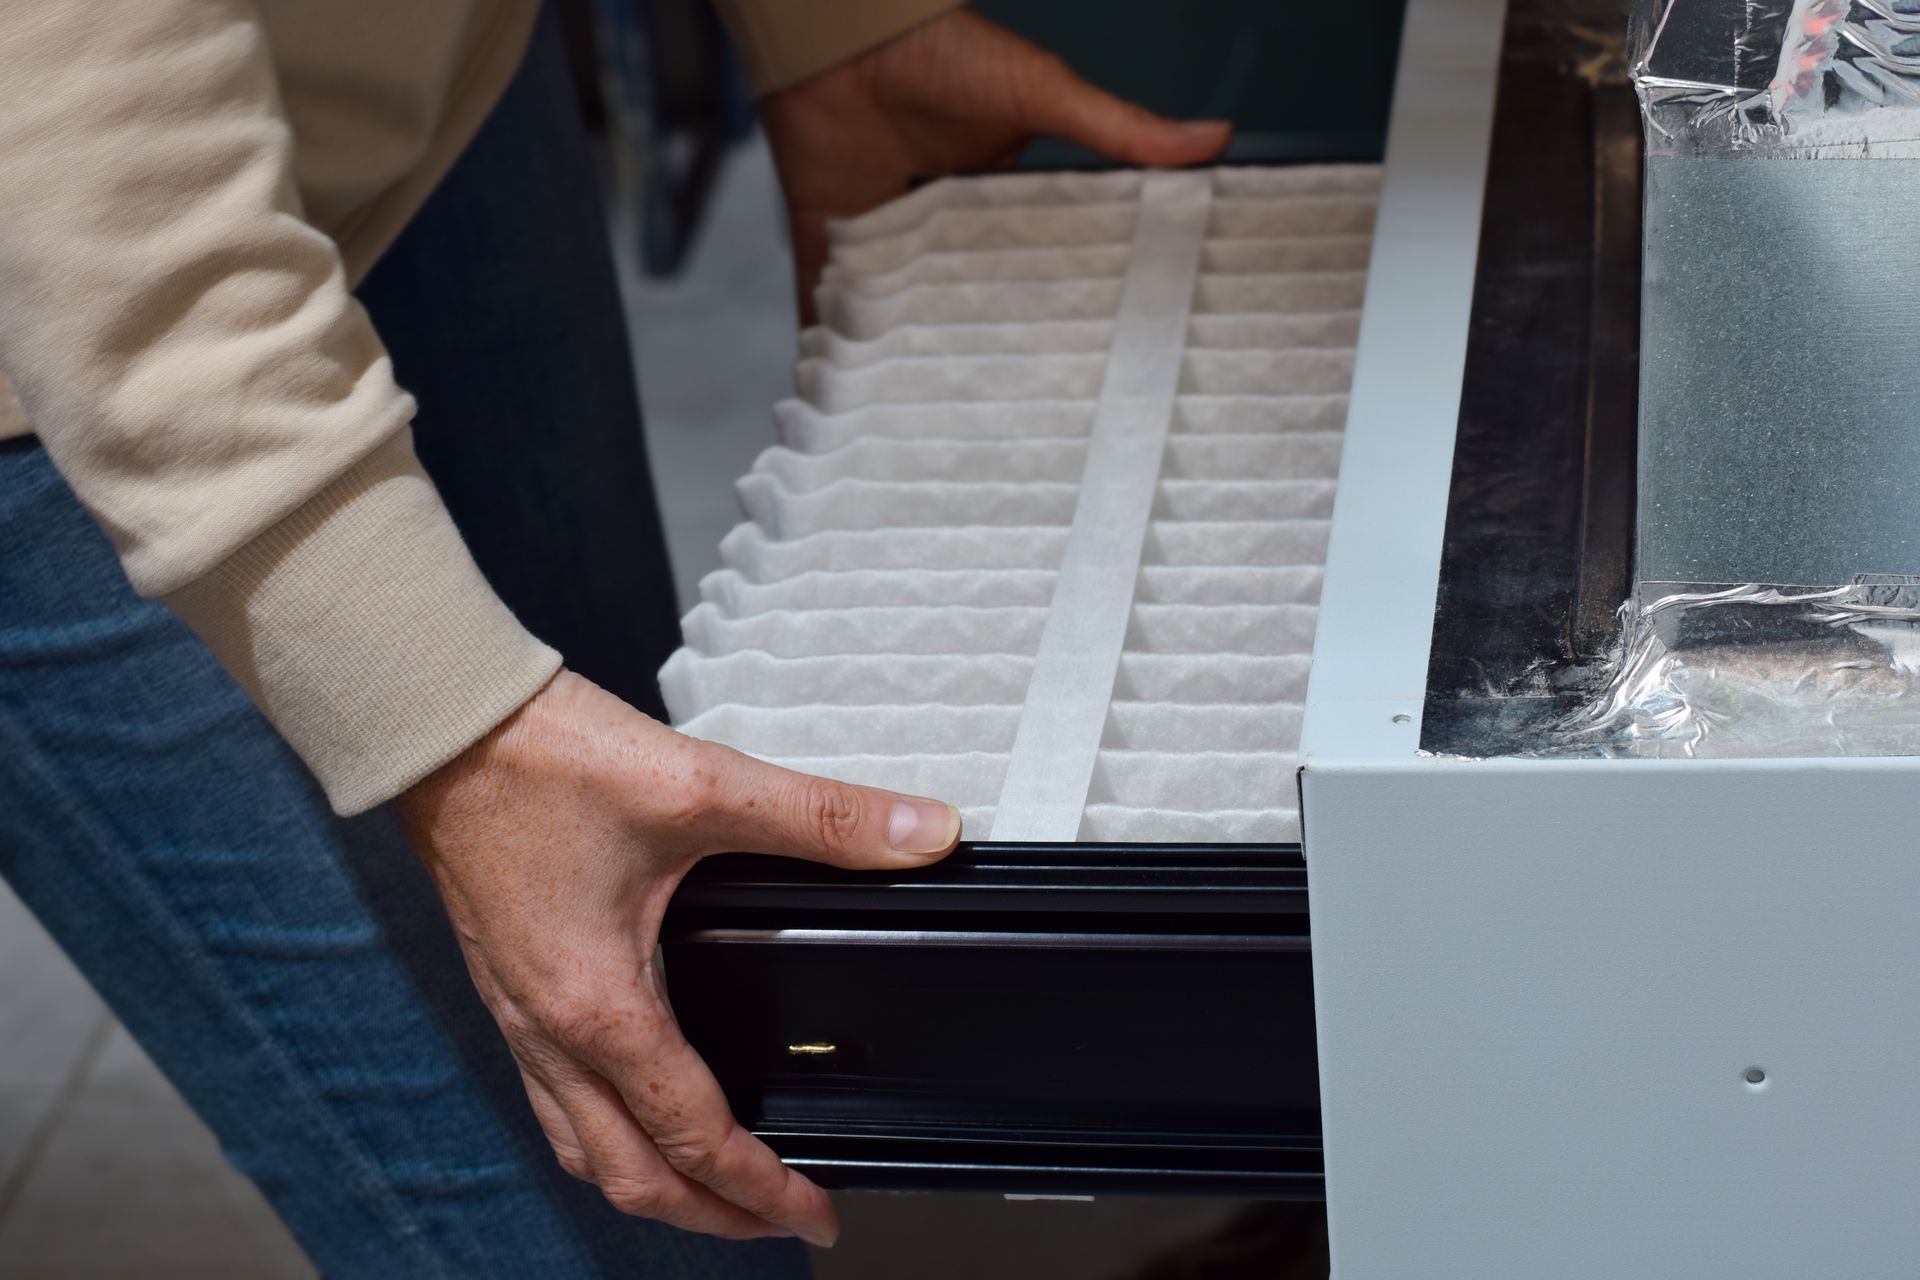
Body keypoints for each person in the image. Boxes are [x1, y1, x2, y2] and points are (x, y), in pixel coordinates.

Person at [0, 1, 1230, 1274]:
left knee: (686, 992)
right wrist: (444, 719)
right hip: (64, 248)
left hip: (432, 76)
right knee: (630, 1183)